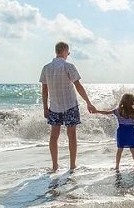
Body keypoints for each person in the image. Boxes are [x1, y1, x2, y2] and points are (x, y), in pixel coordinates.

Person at [39, 41, 96, 171]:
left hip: (54, 107)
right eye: (68, 52)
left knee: (54, 137)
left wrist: (44, 107)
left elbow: (44, 90)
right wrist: (88, 102)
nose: (68, 55)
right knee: (72, 136)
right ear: (65, 51)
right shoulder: (69, 66)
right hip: (70, 105)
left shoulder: (46, 68)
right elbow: (78, 86)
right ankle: (72, 165)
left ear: (56, 51)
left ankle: (54, 166)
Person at [95, 93, 134, 171]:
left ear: (122, 101)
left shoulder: (118, 110)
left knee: (120, 149)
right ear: (132, 102)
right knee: (133, 149)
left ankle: (117, 166)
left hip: (121, 132)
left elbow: (107, 112)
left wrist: (97, 111)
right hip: (131, 132)